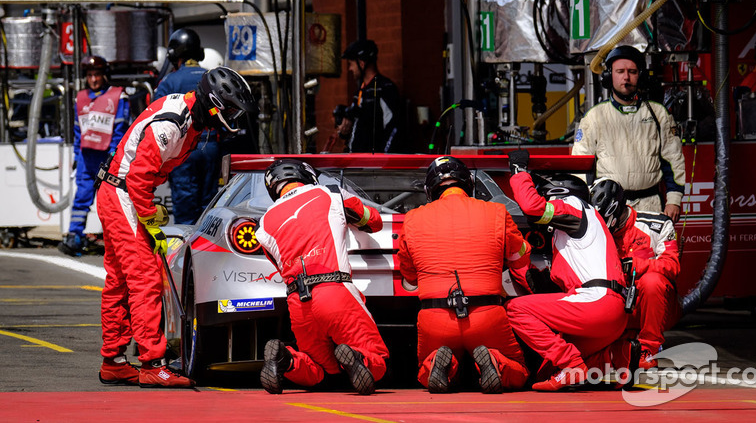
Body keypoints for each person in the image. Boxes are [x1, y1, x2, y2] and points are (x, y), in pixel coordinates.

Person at [96, 67, 256, 387]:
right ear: (214, 104)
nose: (234, 116)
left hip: (121, 192)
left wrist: (148, 207)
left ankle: (113, 360)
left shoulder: (191, 118)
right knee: (145, 277)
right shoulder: (172, 125)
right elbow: (138, 176)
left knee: (119, 281)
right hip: (123, 193)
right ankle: (153, 363)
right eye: (232, 109)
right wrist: (149, 220)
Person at [398, 156, 531, 394]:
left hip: (435, 316)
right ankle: (496, 362)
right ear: (468, 184)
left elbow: (409, 276)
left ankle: (438, 363)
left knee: (423, 371)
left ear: (431, 190)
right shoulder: (497, 212)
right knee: (519, 371)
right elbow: (520, 257)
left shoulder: (412, 219)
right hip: (486, 314)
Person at [256, 159, 390, 396]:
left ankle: (285, 359)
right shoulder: (331, 193)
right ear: (306, 175)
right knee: (376, 357)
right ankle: (359, 357)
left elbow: (279, 266)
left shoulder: (264, 224)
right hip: (334, 289)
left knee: (320, 370)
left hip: (298, 302)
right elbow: (374, 222)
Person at [505, 149, 632, 391]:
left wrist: (519, 172)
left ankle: (573, 364)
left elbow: (533, 207)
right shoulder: (587, 224)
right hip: (613, 316)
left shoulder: (574, 206)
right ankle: (616, 356)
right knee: (544, 369)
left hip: (596, 305)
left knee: (516, 310)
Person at [572, 45, 685, 222]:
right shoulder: (594, 117)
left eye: (632, 71)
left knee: (651, 251)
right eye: (620, 71)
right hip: (607, 206)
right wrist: (585, 204)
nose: (626, 77)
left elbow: (673, 159)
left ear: (640, 75)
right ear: (609, 76)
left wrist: (674, 200)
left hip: (651, 205)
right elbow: (580, 165)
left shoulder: (658, 113)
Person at [590, 177, 682, 369]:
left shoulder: (657, 225)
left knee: (652, 281)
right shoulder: (592, 232)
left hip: (653, 305)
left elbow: (672, 265)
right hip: (614, 305)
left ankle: (649, 350)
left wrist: (638, 265)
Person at [59, 56, 129, 257]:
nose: (94, 79)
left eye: (97, 74)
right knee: (81, 198)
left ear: (104, 75)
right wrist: (76, 156)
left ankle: (116, 242)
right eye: (90, 75)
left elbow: (121, 130)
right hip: (86, 159)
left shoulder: (118, 96)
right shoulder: (80, 98)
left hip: (108, 158)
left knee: (110, 203)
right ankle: (74, 237)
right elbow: (77, 131)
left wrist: (114, 157)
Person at [153, 28, 219, 224]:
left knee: (185, 207)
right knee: (210, 205)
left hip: (184, 152)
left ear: (174, 54)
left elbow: (157, 121)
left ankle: (184, 253)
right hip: (212, 148)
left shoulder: (169, 81)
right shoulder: (212, 77)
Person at [337, 39, 404, 153]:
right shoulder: (360, 91)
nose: (350, 69)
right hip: (356, 160)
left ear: (361, 63)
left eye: (351, 64)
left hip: (374, 164)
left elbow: (393, 125)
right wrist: (345, 131)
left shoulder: (384, 88)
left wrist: (384, 157)